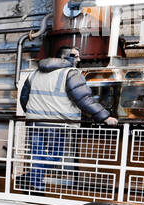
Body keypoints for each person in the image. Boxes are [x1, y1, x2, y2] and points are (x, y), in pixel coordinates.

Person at [17, 47, 117, 192]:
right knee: (55, 157)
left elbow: (24, 98)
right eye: (76, 56)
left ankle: (34, 183)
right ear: (67, 57)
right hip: (58, 123)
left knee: (37, 155)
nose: (79, 59)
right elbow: (84, 99)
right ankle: (33, 181)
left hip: (35, 121)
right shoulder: (71, 73)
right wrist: (105, 117)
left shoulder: (35, 73)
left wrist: (32, 113)